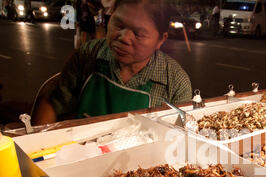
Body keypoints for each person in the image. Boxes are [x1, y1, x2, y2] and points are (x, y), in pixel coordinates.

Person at [32, 0, 192, 125]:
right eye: (119, 25)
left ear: (160, 40)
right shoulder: (89, 54)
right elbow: (54, 103)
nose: (123, 37)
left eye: (138, 34)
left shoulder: (175, 82)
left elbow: (176, 138)